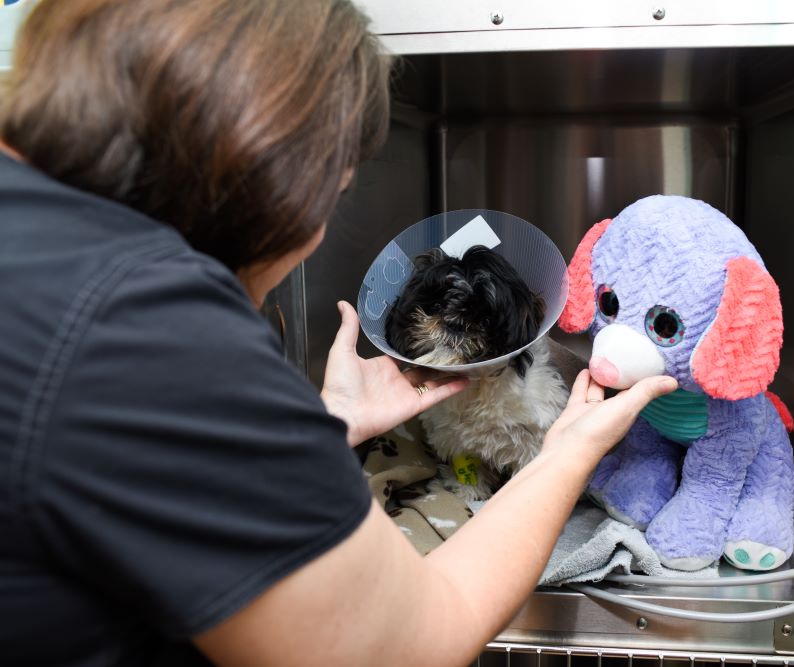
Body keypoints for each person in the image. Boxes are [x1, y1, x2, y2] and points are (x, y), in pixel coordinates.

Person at [0, 1, 678, 666]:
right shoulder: (151, 328)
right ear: (280, 171)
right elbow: (412, 640)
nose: (319, 226)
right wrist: (569, 450)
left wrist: (323, 423)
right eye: (335, 186)